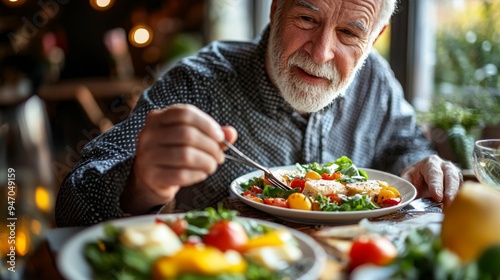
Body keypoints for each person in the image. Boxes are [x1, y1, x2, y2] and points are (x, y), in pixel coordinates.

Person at [55, 0, 462, 227]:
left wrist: (418, 164)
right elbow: (71, 207)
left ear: (374, 37)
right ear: (275, 8)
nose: (320, 52)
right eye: (307, 18)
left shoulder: (375, 80)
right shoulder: (197, 84)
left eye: (349, 33)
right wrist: (140, 185)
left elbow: (403, 142)